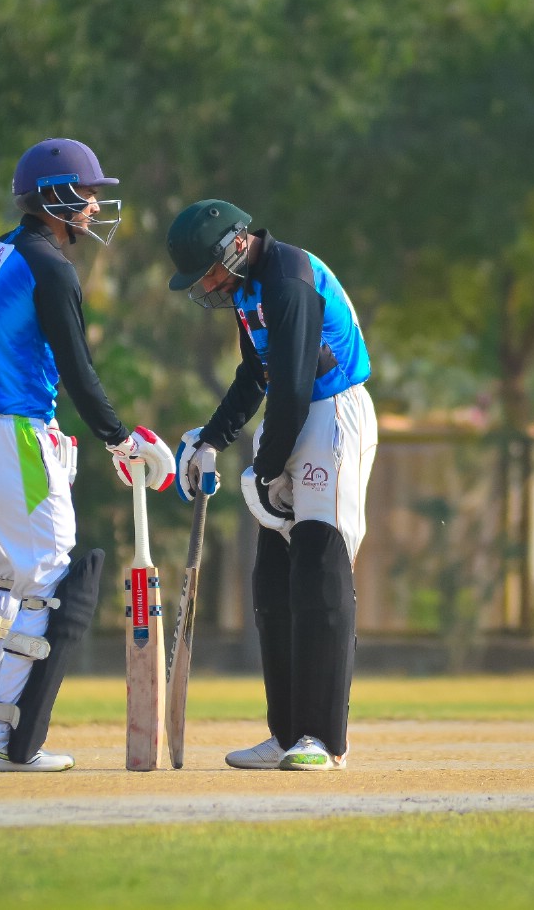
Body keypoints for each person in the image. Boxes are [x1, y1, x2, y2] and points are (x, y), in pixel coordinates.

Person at [0, 137, 175, 772]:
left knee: (3, 574)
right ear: (56, 197)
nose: (95, 206)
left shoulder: (1, 249)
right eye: (88, 193)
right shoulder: (52, 267)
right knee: (45, 576)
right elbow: (77, 368)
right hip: (10, 433)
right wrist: (119, 438)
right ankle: (2, 741)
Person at [164, 199, 377, 771]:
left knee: (319, 565)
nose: (208, 285)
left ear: (236, 244)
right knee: (273, 579)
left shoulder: (288, 280)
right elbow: (256, 375)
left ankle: (324, 740)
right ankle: (286, 734)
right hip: (292, 416)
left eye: (209, 271)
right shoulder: (247, 290)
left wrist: (264, 468)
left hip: (333, 416)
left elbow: (295, 385)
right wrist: (212, 438)